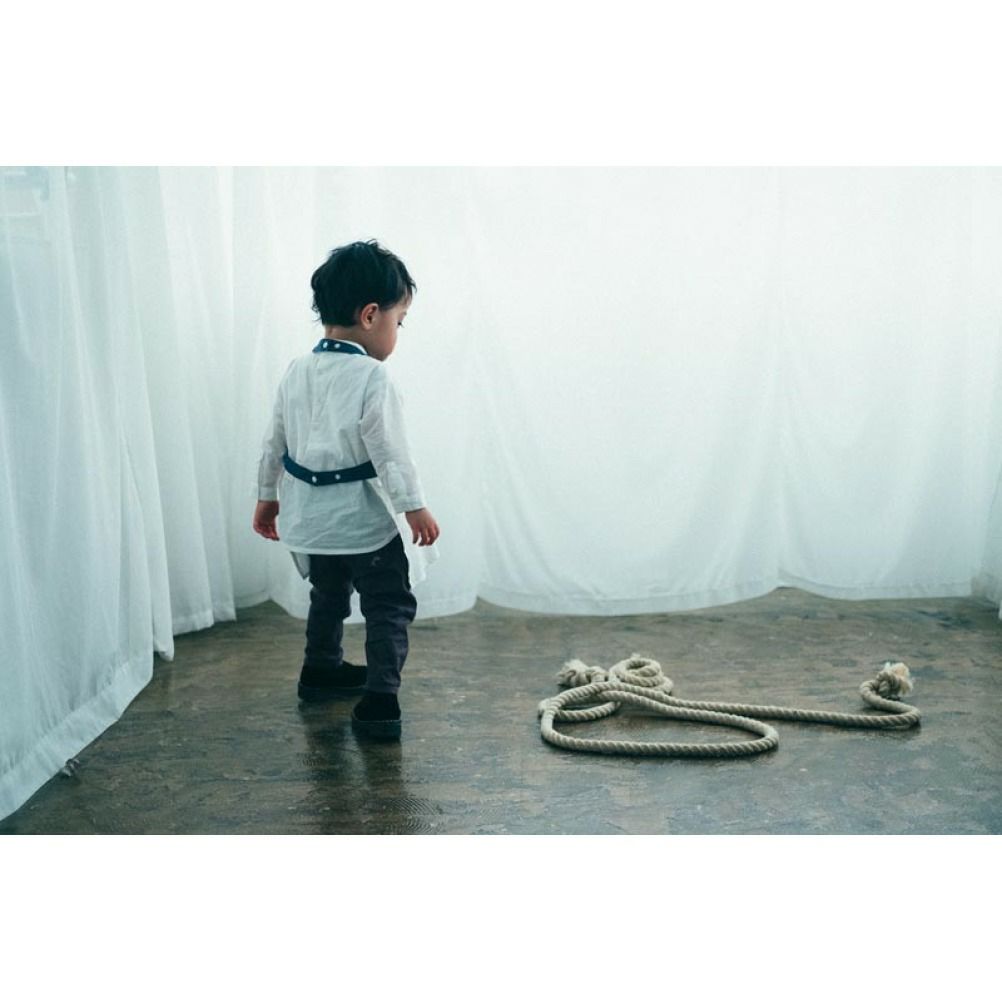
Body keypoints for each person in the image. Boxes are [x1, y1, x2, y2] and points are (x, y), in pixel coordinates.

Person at [252, 239, 440, 740]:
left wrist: (267, 497)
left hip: (310, 520)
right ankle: (380, 700)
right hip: (362, 522)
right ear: (371, 315)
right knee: (387, 604)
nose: (398, 332)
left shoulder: (296, 370)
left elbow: (274, 442)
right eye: (399, 321)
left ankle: (320, 669)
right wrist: (414, 507)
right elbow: (391, 452)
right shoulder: (373, 377)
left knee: (328, 594)